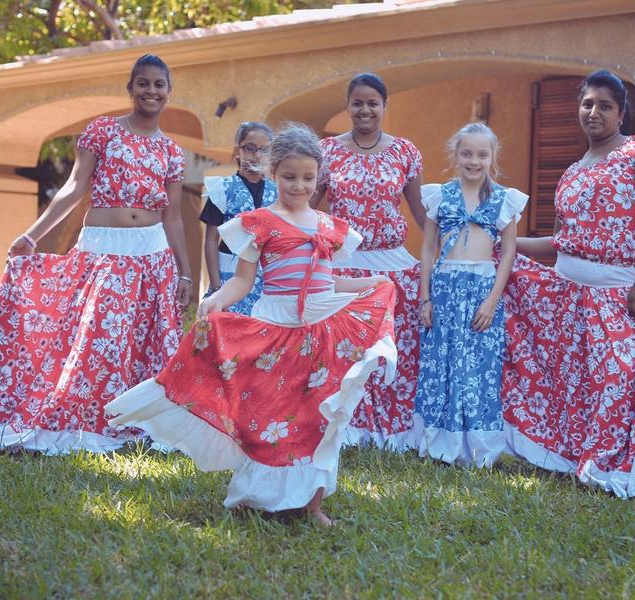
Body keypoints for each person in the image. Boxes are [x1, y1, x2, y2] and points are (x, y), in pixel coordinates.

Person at [105, 124, 397, 526]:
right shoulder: (258, 223)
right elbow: (243, 280)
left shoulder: (329, 226)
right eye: (290, 177)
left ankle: (313, 502)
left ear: (319, 178)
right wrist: (215, 299)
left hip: (319, 330)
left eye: (308, 178)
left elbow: (329, 281)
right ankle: (251, 493)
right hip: (273, 325)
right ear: (273, 173)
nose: (299, 186)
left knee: (317, 417)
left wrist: (371, 284)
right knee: (267, 414)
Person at [0, 54, 193, 454]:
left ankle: (133, 422)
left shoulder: (171, 152)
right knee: (97, 340)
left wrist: (185, 273)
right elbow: (73, 188)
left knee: (142, 345)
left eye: (159, 85)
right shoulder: (102, 131)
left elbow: (174, 219)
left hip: (152, 255)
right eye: (143, 83)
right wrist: (32, 236)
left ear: (168, 92)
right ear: (130, 88)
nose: (151, 91)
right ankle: (77, 417)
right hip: (104, 248)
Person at [501, 70, 635, 497]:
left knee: (618, 380)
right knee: (576, 382)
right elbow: (565, 241)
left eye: (605, 105)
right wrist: (509, 244)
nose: (594, 112)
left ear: (621, 113)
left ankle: (617, 462)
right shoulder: (573, 171)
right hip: (568, 293)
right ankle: (572, 456)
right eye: (587, 103)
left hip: (616, 293)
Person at [313, 72, 425, 450]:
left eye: (372, 103)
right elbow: (309, 207)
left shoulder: (405, 151)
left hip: (394, 265)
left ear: (384, 106)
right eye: (357, 103)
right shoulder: (327, 151)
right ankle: (349, 428)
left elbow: (420, 211)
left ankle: (393, 432)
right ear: (348, 106)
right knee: (347, 350)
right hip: (345, 264)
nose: (364, 110)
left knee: (394, 349)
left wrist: (445, 254)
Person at [415, 123, 526, 467]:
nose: (474, 161)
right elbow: (428, 250)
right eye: (467, 153)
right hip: (445, 289)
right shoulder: (440, 195)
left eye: (482, 154)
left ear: (492, 157)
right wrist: (425, 298)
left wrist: (492, 300)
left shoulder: (504, 199)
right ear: (455, 155)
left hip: (482, 290)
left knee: (479, 367)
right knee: (444, 364)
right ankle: (440, 444)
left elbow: (507, 253)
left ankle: (480, 447)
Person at [200, 122, 277, 314]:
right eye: (250, 148)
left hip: (267, 275)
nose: (257, 155)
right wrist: (217, 285)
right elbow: (211, 239)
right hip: (229, 271)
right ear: (237, 151)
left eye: (264, 150)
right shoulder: (223, 189)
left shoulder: (277, 192)